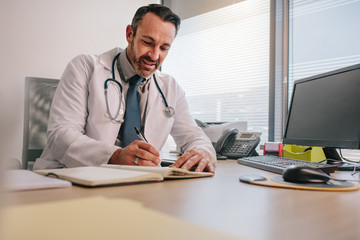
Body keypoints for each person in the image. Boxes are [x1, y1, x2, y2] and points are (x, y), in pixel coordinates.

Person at [33, 4, 216, 173]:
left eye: (164, 47)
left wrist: (203, 152)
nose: (154, 55)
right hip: (68, 176)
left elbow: (194, 136)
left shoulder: (170, 87)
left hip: (133, 183)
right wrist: (114, 156)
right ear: (130, 34)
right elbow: (60, 135)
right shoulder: (85, 67)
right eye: (148, 42)